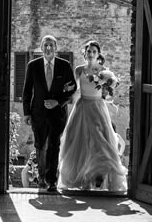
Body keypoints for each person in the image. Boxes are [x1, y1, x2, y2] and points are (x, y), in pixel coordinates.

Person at [58, 40, 128, 192]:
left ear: (98, 55)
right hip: (82, 107)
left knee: (100, 140)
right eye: (88, 51)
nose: (90, 54)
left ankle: (99, 175)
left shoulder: (104, 71)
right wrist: (66, 88)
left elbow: (109, 95)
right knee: (78, 141)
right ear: (85, 53)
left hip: (97, 108)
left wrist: (108, 90)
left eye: (94, 52)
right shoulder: (78, 70)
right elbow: (74, 88)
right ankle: (83, 178)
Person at [22, 35, 76, 193]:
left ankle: (51, 181)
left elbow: (72, 89)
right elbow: (26, 91)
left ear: (56, 47)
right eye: (45, 45)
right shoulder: (33, 66)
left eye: (51, 45)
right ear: (41, 47)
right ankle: (41, 179)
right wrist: (26, 114)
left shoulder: (65, 66)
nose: (48, 48)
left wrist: (58, 102)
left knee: (54, 146)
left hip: (57, 115)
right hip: (37, 114)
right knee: (40, 146)